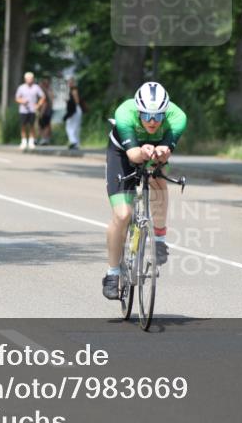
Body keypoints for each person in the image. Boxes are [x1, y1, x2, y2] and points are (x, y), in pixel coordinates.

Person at [102, 81, 187, 300]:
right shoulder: (124, 113)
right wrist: (142, 150)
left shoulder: (177, 118)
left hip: (153, 152)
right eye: (146, 115)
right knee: (123, 214)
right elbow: (133, 156)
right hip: (124, 152)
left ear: (165, 113)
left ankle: (159, 239)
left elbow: (166, 153)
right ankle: (112, 273)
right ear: (138, 110)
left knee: (159, 181)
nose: (152, 121)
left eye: (158, 116)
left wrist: (161, 152)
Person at [14, 71, 45, 150]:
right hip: (23, 110)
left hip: (32, 110)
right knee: (23, 126)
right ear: (25, 79)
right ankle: (24, 141)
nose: (29, 80)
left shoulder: (36, 87)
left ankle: (31, 141)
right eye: (28, 78)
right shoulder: (21, 87)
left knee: (32, 126)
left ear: (33, 79)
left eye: (31, 78)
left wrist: (38, 105)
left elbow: (43, 97)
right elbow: (17, 98)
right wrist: (22, 101)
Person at [64, 76, 84, 150]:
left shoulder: (74, 90)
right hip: (74, 110)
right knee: (74, 127)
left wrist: (68, 101)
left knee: (70, 126)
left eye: (69, 82)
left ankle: (74, 142)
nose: (68, 83)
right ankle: (76, 143)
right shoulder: (73, 90)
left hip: (74, 110)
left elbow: (76, 101)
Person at [36, 78, 53, 146]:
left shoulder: (43, 92)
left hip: (45, 111)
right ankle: (44, 139)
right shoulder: (47, 91)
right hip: (46, 111)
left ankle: (44, 139)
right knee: (43, 125)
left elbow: (45, 103)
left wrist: (41, 112)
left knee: (44, 125)